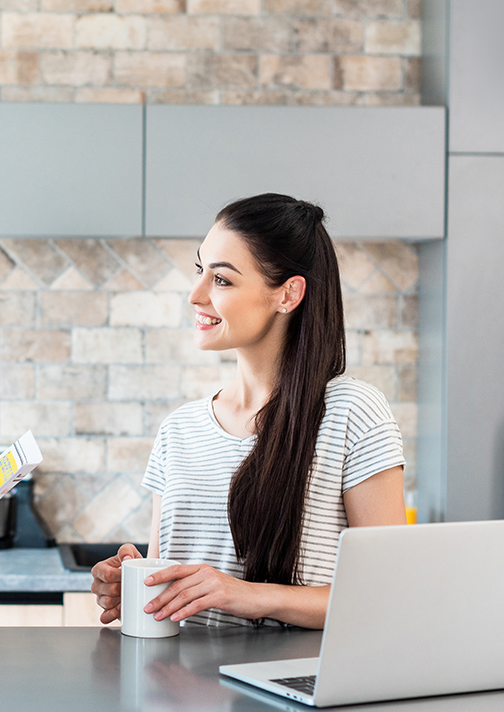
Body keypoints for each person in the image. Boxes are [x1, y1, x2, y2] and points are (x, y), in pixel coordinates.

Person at [90, 194, 407, 628]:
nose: (195, 295)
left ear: (288, 294)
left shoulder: (352, 413)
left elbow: (386, 595)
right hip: (179, 689)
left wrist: (250, 596)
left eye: (222, 280)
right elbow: (173, 592)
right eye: (200, 270)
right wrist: (136, 586)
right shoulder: (179, 430)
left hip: (290, 689)